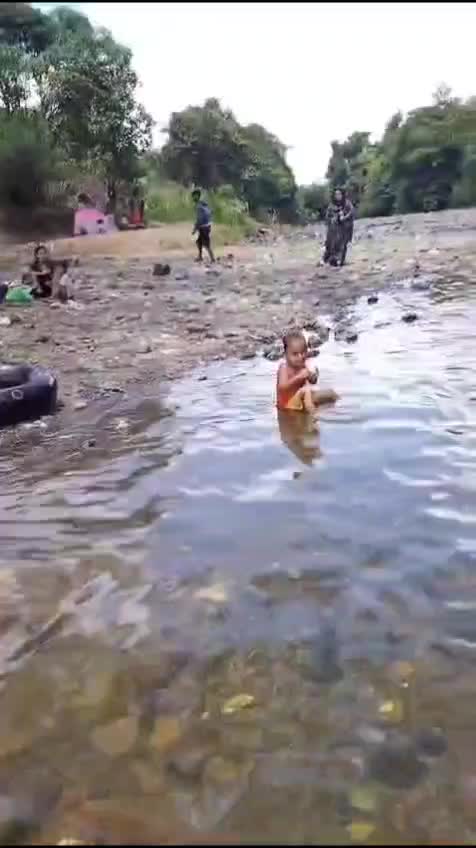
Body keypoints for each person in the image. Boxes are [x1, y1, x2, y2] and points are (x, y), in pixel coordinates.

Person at [276, 330, 338, 413]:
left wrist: (313, 376)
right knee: (305, 391)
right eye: (295, 354)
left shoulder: (302, 366)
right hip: (287, 405)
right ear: (285, 354)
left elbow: (312, 382)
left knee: (331, 393)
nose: (300, 357)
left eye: (303, 352)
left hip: (302, 403)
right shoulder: (284, 368)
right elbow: (282, 388)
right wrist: (298, 377)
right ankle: (313, 416)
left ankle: (339, 409)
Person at [324, 188, 354, 267]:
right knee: (331, 244)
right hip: (334, 229)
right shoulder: (331, 205)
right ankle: (331, 259)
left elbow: (351, 212)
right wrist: (332, 219)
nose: (338, 196)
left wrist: (344, 217)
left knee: (343, 245)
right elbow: (327, 216)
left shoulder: (347, 203)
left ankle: (341, 260)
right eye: (336, 194)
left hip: (344, 228)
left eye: (339, 194)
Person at [192, 189, 215, 263]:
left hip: (203, 226)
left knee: (206, 243)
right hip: (206, 225)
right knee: (199, 242)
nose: (193, 198)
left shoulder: (199, 206)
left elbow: (200, 218)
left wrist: (195, 228)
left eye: (194, 196)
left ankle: (212, 258)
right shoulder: (203, 203)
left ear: (197, 196)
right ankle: (200, 256)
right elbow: (210, 212)